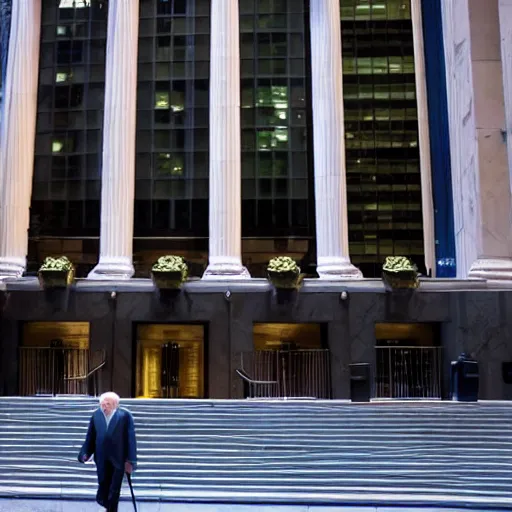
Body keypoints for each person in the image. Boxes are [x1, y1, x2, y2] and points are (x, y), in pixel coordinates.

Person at [78, 391, 137, 511]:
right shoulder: (96, 416)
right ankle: (106, 504)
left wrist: (130, 460)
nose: (104, 407)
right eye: (102, 404)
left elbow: (131, 439)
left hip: (118, 459)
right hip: (101, 458)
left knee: (114, 489)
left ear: (115, 404)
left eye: (107, 404)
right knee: (103, 486)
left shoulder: (124, 416)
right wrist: (85, 453)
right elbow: (91, 437)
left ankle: (111, 509)